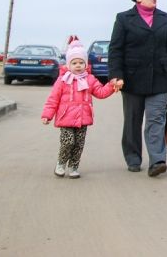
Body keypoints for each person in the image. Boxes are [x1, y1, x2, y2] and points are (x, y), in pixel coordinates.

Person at [108, 0, 167, 177]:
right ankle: (133, 158)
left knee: (156, 119)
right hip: (132, 79)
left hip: (159, 78)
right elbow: (115, 50)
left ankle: (157, 161)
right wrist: (116, 75)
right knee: (132, 121)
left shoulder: (164, 18)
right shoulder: (124, 19)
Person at [41, 38, 120, 178]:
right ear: (68, 64)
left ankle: (73, 167)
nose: (78, 65)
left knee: (78, 144)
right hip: (65, 118)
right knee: (68, 142)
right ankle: (61, 163)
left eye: (81, 62)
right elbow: (53, 99)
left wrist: (111, 86)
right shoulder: (63, 80)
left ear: (86, 64)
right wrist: (47, 115)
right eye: (74, 63)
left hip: (83, 119)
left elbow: (100, 92)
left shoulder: (90, 79)